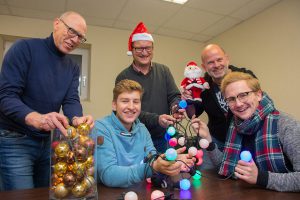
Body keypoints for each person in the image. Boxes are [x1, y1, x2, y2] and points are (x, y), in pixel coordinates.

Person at [0, 11, 94, 191]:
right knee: (23, 195)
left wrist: (77, 119)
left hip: (47, 142)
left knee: (46, 193)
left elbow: (71, 100)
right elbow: (6, 96)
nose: (74, 39)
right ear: (56, 23)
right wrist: (36, 118)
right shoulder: (24, 48)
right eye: (71, 31)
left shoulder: (72, 67)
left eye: (80, 37)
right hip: (15, 141)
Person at [191, 72, 300, 192]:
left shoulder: (286, 125)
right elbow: (227, 168)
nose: (238, 104)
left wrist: (260, 177)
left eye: (243, 95)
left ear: (258, 94)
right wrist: (208, 139)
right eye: (231, 99)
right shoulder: (235, 125)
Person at [92, 79, 194, 187]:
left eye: (136, 101)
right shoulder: (101, 128)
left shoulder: (142, 129)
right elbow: (109, 175)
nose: (131, 107)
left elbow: (153, 158)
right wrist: (152, 167)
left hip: (139, 193)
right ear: (114, 105)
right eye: (125, 101)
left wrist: (169, 160)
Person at [183, 44, 256, 169]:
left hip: (245, 139)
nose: (216, 65)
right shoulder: (202, 85)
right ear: (204, 67)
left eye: (219, 59)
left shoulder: (245, 76)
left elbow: (258, 105)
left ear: (227, 59)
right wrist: (188, 100)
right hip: (215, 140)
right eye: (210, 62)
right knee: (207, 177)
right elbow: (192, 114)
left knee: (242, 179)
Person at [115, 22, 183, 153]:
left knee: (165, 172)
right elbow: (126, 111)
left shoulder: (164, 71)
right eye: (139, 49)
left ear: (153, 49)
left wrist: (175, 107)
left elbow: (174, 95)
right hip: (135, 139)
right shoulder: (123, 77)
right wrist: (156, 119)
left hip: (165, 137)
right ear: (132, 50)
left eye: (148, 48)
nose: (144, 52)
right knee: (140, 173)